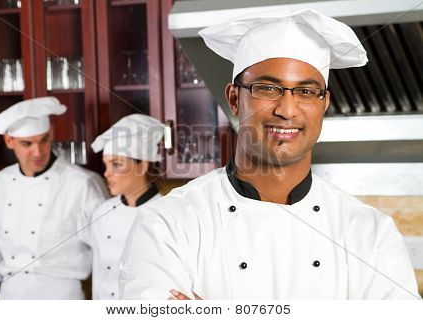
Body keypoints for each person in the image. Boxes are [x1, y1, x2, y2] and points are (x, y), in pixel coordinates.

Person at [119, 9, 419, 299]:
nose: (287, 110)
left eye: (305, 91)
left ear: (324, 104)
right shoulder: (169, 224)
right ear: (234, 99)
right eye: (268, 89)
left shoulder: (370, 232)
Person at [0, 97, 109, 299]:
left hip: (61, 298)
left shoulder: (83, 183)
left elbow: (107, 251)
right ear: (9, 141)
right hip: (9, 297)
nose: (38, 151)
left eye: (44, 140)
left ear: (52, 134)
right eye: (27, 143)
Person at [79, 114, 164, 299]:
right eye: (106, 165)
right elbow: (99, 273)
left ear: (142, 166)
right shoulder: (102, 213)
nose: (107, 174)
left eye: (116, 165)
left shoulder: (166, 213)